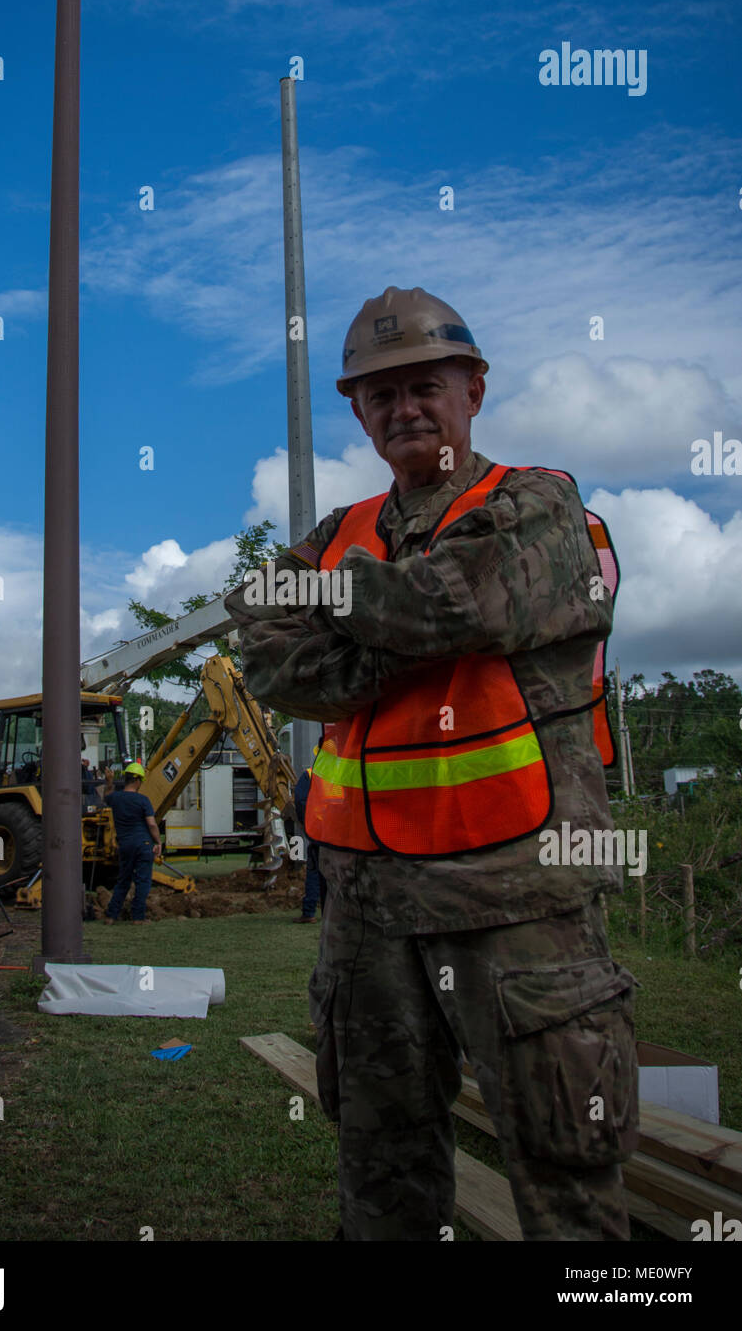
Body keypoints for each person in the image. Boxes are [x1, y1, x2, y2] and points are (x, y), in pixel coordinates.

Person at [224, 286, 639, 1242]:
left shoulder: (538, 502)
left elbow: (466, 606)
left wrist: (366, 619)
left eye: (425, 386)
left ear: (473, 390)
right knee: (382, 1170)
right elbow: (272, 653)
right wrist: (405, 623)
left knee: (562, 1170)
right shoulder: (342, 529)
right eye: (381, 395)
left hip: (517, 903)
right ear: (358, 412)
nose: (405, 408)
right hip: (366, 913)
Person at [103, 762, 162, 923]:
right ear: (137, 781)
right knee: (143, 882)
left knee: (123, 880)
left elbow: (106, 796)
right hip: (143, 845)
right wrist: (158, 841)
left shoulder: (116, 798)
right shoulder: (143, 800)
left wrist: (109, 781)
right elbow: (151, 824)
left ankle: (111, 915)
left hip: (125, 846)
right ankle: (138, 917)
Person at [292, 757, 326, 923]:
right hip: (339, 833)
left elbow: (300, 801)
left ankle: (309, 912)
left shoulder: (310, 775)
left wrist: (307, 823)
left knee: (314, 872)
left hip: (319, 832)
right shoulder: (342, 775)